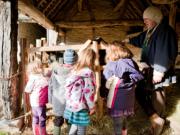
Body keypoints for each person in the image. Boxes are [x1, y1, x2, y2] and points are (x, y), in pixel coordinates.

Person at [123, 6, 178, 135]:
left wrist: (159, 71)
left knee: (157, 94)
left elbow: (164, 51)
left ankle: (158, 124)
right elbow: (141, 39)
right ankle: (155, 117)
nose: (144, 22)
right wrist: (129, 40)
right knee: (140, 90)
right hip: (151, 68)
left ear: (154, 18)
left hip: (159, 69)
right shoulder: (151, 31)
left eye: (146, 19)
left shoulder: (164, 31)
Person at [103, 41, 144, 135]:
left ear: (112, 52)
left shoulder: (111, 65)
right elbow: (137, 76)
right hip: (128, 98)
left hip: (116, 99)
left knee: (117, 123)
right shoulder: (131, 62)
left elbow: (107, 81)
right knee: (125, 119)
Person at [64, 47, 96, 135]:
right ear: (91, 60)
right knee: (81, 129)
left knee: (75, 125)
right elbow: (88, 92)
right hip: (81, 106)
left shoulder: (75, 71)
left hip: (72, 104)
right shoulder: (88, 74)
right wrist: (92, 106)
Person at [48, 49, 78, 135]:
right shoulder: (75, 72)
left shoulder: (56, 71)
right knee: (70, 121)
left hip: (58, 101)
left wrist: (50, 100)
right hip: (71, 102)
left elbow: (50, 85)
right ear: (74, 60)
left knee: (57, 121)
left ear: (64, 59)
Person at [25, 60, 49, 135]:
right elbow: (27, 89)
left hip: (36, 102)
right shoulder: (36, 78)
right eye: (40, 67)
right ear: (35, 69)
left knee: (36, 118)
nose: (42, 68)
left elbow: (27, 89)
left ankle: (38, 133)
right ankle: (42, 133)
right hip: (39, 102)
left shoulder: (35, 77)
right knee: (41, 118)